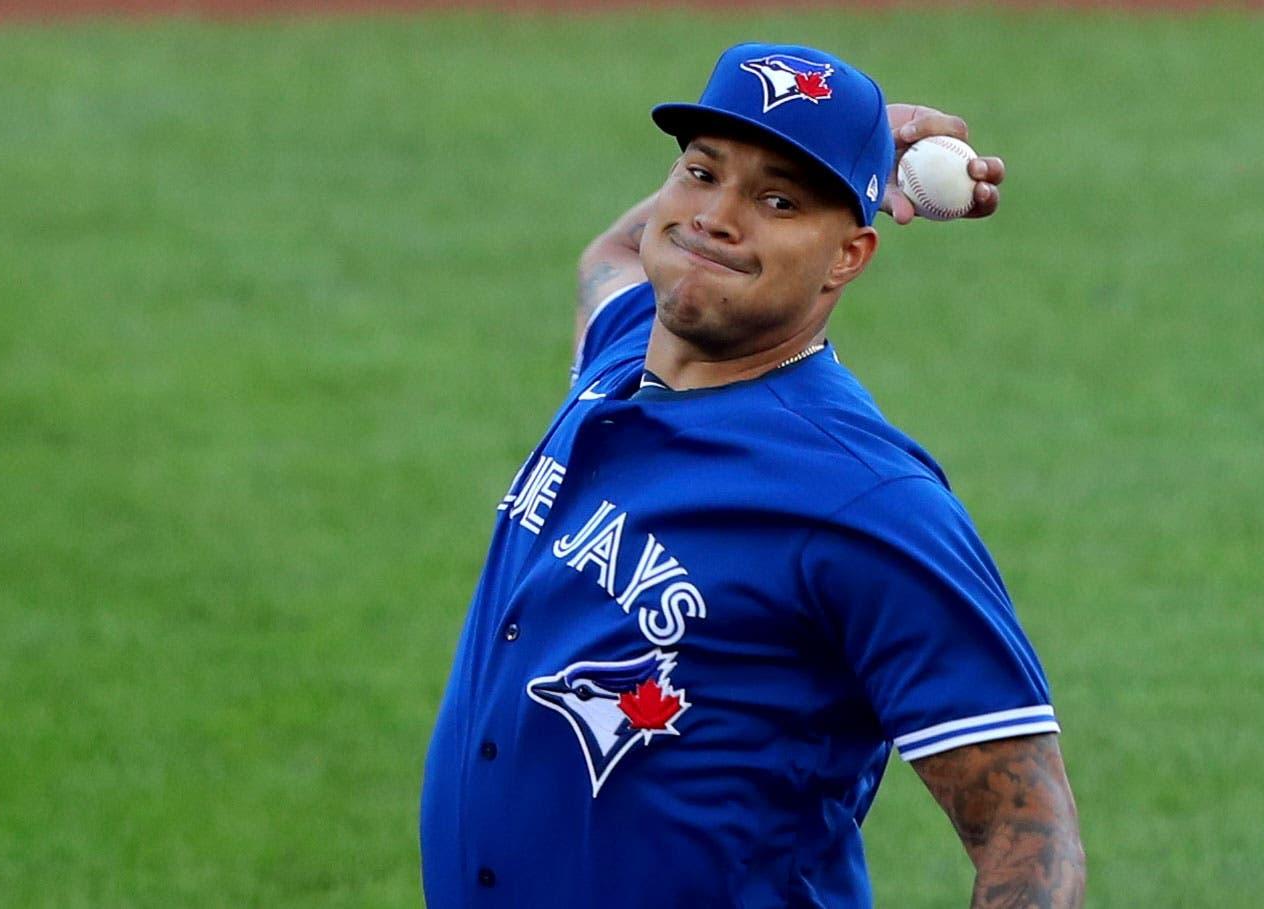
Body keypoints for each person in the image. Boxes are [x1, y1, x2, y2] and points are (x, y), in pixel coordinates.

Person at [420, 42, 1085, 909]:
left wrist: (838, 146)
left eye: (777, 199)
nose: (716, 218)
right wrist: (852, 139)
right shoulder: (624, 355)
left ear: (846, 257)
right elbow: (614, 255)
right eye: (700, 173)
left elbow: (1028, 836)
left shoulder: (866, 500)